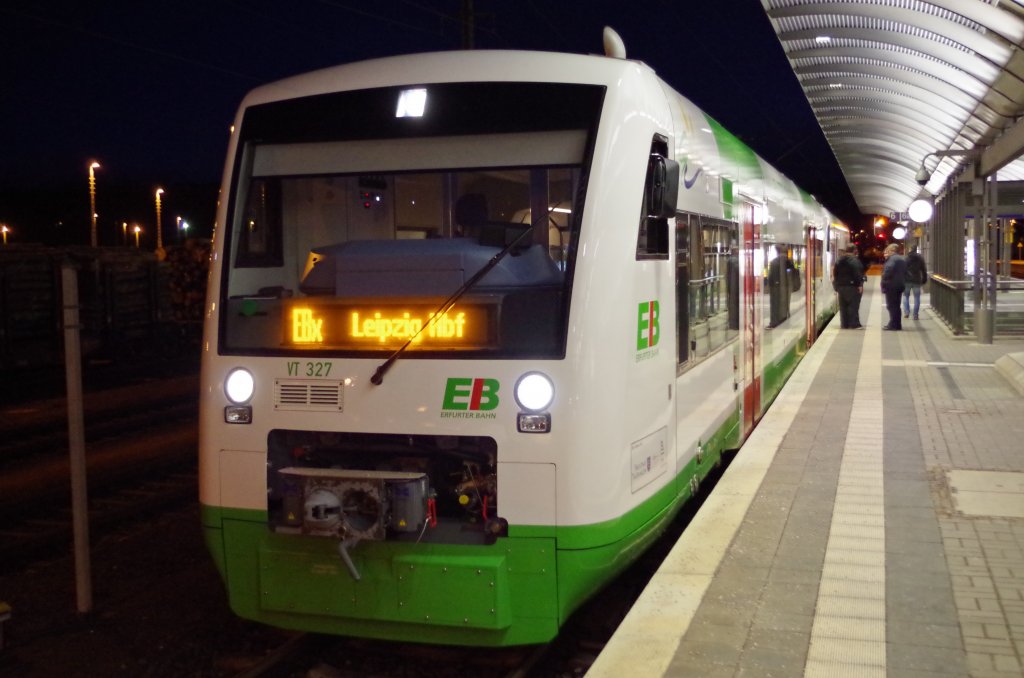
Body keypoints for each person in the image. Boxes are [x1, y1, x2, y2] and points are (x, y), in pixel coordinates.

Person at [832, 244, 864, 329]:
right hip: (852, 286)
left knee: (843, 306)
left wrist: (836, 285)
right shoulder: (854, 260)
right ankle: (854, 324)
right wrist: (859, 284)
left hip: (841, 287)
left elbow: (835, 273)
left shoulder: (839, 259)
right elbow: (857, 273)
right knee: (853, 305)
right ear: (854, 250)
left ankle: (844, 324)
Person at [881, 243, 907, 330]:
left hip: (891, 285)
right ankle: (897, 324)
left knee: (891, 306)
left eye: (888, 251)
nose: (887, 252)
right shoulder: (901, 259)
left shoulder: (892, 259)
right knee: (896, 305)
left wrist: (884, 280)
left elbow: (888, 270)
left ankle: (893, 325)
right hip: (900, 285)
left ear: (892, 250)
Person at [903, 245, 928, 320]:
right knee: (917, 298)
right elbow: (924, 269)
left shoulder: (906, 258)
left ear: (910, 249)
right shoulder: (920, 258)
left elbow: (903, 269)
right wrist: (924, 279)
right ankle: (915, 315)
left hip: (907, 280)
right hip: (917, 280)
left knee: (905, 296)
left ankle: (907, 312)